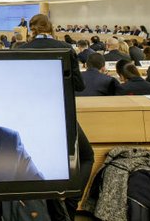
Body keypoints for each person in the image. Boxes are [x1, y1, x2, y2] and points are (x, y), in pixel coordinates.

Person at [19, 14, 94, 220]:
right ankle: (70, 203)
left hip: (29, 115)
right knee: (86, 157)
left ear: (31, 30)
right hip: (60, 113)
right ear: (50, 28)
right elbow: (79, 85)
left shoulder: (21, 49)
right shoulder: (65, 48)